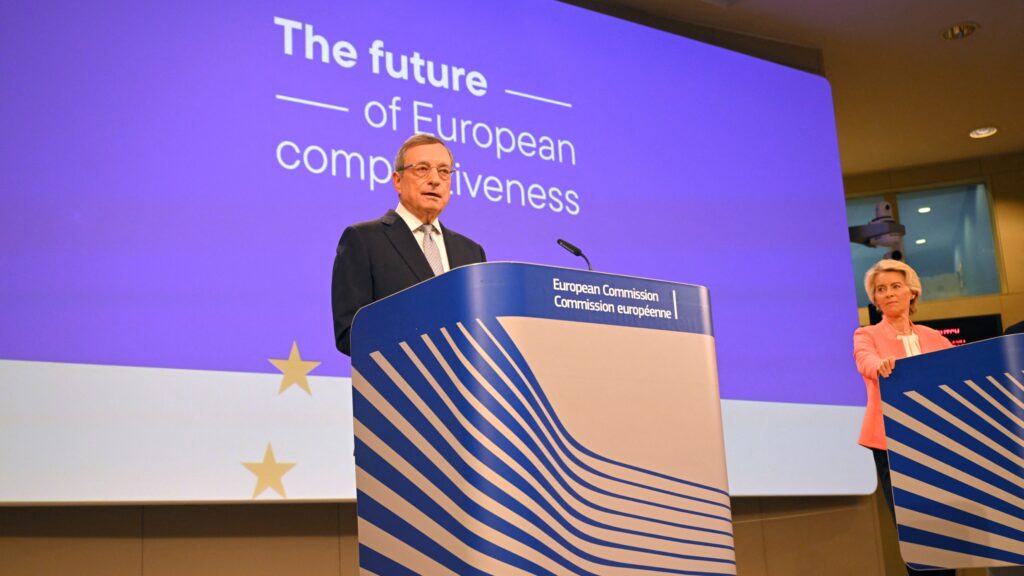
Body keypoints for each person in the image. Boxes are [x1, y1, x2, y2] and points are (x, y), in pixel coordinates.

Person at [331, 134, 486, 356]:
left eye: (444, 171)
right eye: (423, 169)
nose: (435, 179)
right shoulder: (363, 240)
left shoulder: (471, 252)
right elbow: (350, 333)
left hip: (465, 386)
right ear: (397, 180)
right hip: (399, 383)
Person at [853, 259, 953, 576]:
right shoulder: (865, 334)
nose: (889, 293)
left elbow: (958, 370)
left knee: (946, 525)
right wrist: (880, 364)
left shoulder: (935, 338)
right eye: (881, 289)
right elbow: (865, 362)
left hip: (937, 445)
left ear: (912, 291)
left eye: (895, 286)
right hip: (891, 444)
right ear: (875, 299)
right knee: (915, 531)